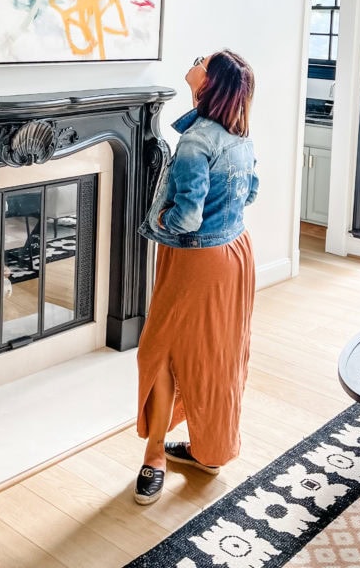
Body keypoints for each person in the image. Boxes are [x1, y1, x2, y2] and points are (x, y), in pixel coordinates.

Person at [133, 49, 259, 505]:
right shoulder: (239, 134)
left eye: (203, 60)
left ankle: (155, 457)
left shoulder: (196, 141)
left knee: (160, 352)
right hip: (236, 254)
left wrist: (157, 219)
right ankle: (210, 451)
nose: (196, 59)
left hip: (197, 261)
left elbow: (185, 218)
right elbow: (253, 192)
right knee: (216, 356)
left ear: (208, 84)